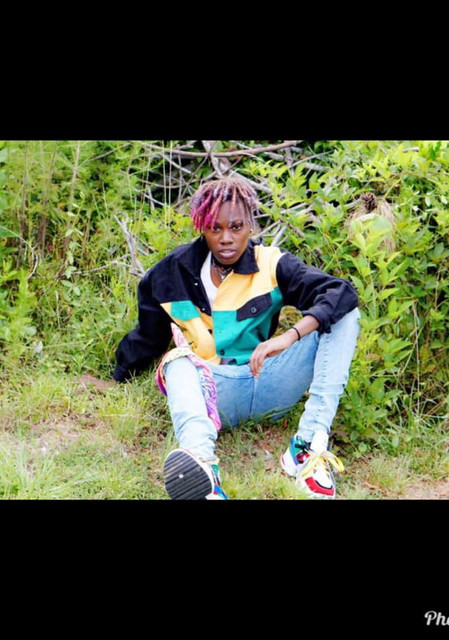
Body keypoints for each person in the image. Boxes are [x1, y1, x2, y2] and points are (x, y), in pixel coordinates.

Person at [81, 176, 361, 500]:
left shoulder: (271, 263)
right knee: (176, 360)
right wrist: (117, 379)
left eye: (236, 227)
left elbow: (340, 292)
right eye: (215, 228)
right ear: (202, 227)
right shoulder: (171, 272)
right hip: (215, 394)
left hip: (270, 380)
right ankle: (203, 473)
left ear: (250, 226)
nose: (226, 238)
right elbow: (148, 338)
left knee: (345, 315)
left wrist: (289, 337)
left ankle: (308, 447)